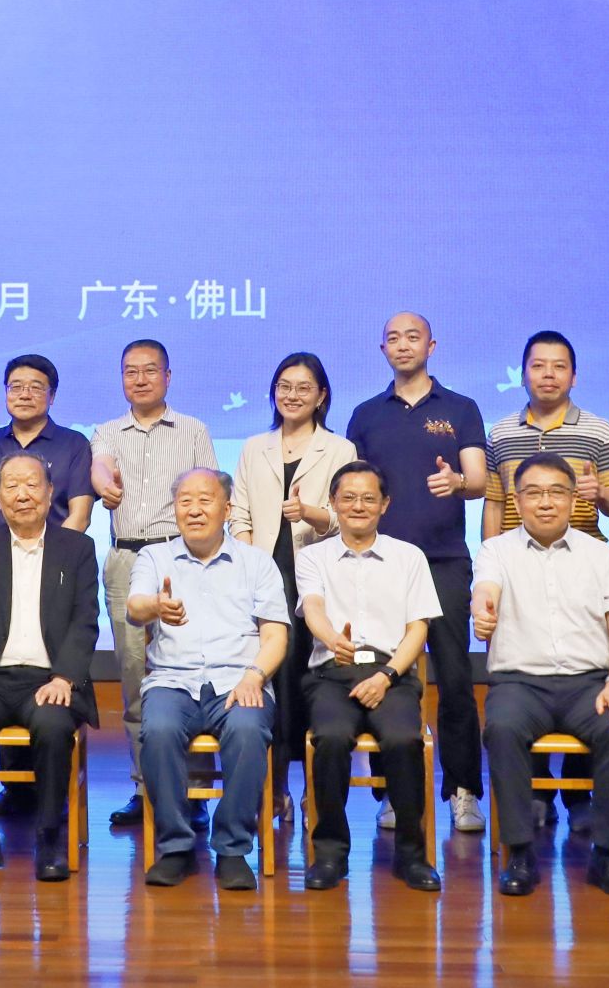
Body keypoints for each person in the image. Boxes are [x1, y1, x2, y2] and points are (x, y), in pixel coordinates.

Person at [343, 314, 490, 834]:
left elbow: (478, 480)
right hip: (380, 564)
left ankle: (463, 791)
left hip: (444, 559)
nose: (403, 345)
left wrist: (459, 482)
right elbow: (354, 486)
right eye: (393, 338)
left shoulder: (461, 408)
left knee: (454, 677)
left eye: (413, 337)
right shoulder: (365, 415)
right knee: (384, 674)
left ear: (432, 344)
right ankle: (390, 791)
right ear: (381, 348)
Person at [475, 452, 609, 901]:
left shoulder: (601, 555)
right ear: (516, 501)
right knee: (502, 728)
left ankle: (608, 855)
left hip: (589, 684)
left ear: (574, 499)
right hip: (518, 683)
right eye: (533, 493)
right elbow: (485, 589)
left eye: (556, 492)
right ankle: (519, 852)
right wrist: (482, 610)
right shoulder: (496, 550)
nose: (545, 502)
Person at [483, 330, 609, 832]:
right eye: (538, 365)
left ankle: (581, 799)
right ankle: (534, 799)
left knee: (583, 674)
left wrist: (597, 492)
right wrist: (490, 561)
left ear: (574, 375)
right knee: (519, 691)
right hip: (516, 560)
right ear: (523, 372)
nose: (548, 375)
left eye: (559, 366)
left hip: (578, 557)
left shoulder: (600, 430)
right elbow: (494, 499)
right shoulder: (502, 431)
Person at [0, 454, 101, 883]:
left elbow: (86, 619)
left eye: (32, 484)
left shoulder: (77, 548)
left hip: (49, 678)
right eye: (11, 486)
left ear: (50, 493)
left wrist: (65, 677)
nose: (22, 494)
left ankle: (48, 835)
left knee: (52, 725)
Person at [130, 468, 288, 890]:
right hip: (172, 679)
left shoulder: (257, 562)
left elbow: (276, 636)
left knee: (248, 730)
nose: (194, 510)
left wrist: (255, 676)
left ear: (227, 509)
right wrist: (156, 607)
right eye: (185, 501)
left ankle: (232, 849)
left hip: (240, 679)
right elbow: (135, 607)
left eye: (205, 500)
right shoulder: (154, 557)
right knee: (159, 730)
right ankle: (176, 847)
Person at [295, 461, 443, 893]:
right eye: (348, 498)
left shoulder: (409, 557)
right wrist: (332, 640)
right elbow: (313, 608)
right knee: (330, 738)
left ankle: (412, 856)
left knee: (403, 739)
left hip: (390, 672)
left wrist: (387, 675)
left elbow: (419, 627)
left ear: (384, 504)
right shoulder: (313, 556)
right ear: (333, 503)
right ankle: (330, 854)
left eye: (368, 498)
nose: (358, 506)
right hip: (332, 672)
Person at [90, 339, 218, 828]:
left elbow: (211, 489)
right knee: (134, 673)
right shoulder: (106, 431)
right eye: (130, 371)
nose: (139, 379)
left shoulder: (193, 430)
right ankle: (144, 786)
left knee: (193, 668)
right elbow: (100, 466)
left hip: (184, 556)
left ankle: (196, 789)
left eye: (149, 370)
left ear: (168, 375)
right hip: (126, 558)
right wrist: (104, 485)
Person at [228, 351, 356, 818]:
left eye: (303, 388)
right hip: (265, 577)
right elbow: (239, 513)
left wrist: (309, 513)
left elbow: (348, 516)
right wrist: (249, 563)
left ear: (321, 396)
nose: (292, 395)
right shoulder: (253, 447)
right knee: (274, 683)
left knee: (311, 681)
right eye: (284, 386)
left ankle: (314, 790)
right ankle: (276, 786)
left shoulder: (340, 449)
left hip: (318, 578)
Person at [0, 354, 95, 532]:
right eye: (16, 387)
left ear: (52, 396)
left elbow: (80, 517)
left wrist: (52, 549)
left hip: (56, 548)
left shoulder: (74, 444)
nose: (24, 395)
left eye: (36, 388)